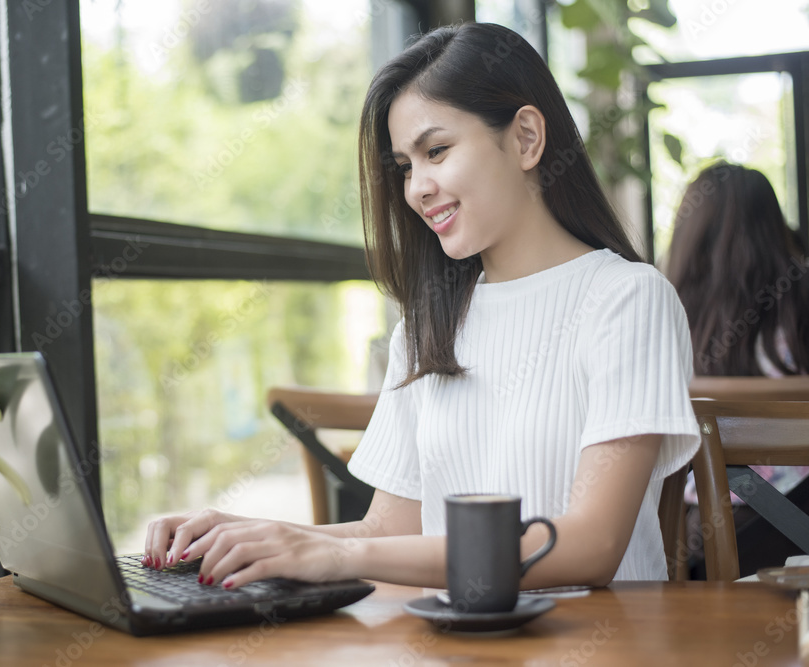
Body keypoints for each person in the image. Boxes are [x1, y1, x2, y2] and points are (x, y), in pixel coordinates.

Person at [143, 22, 700, 591]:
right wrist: (249, 534)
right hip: (450, 644)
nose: (416, 189)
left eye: (436, 151)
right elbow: (389, 531)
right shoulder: (427, 326)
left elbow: (590, 547)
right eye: (406, 167)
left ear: (527, 139)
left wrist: (336, 557)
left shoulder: (627, 300)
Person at [665, 161, 809, 577]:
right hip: (797, 526)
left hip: (701, 542)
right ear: (773, 225)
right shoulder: (800, 303)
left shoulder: (667, 314)